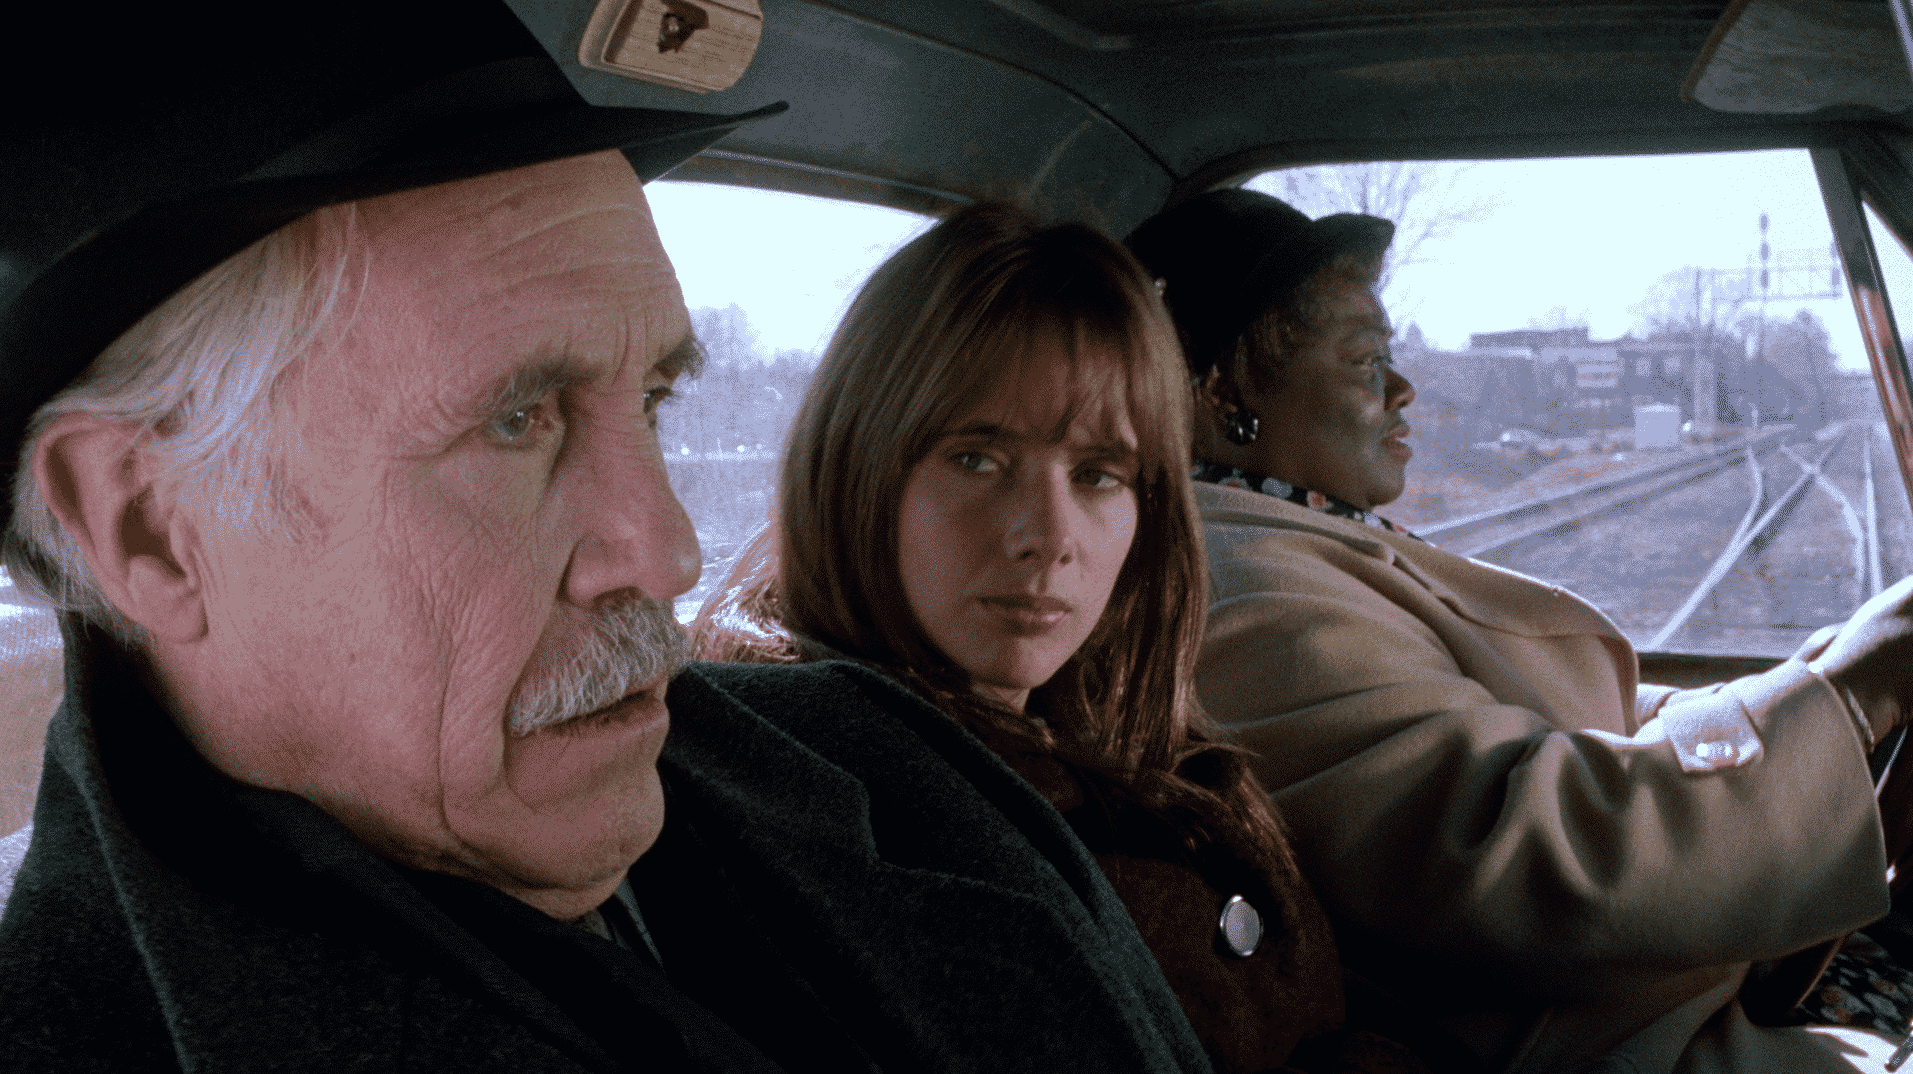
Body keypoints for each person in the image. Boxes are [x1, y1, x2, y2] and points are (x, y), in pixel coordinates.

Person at [0, 5, 1216, 1072]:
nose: (668, 553)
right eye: (516, 421)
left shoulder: (891, 758)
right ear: (147, 528)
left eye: (653, 400)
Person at [1126, 186, 1913, 1073]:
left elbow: (1571, 714)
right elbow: (1519, 859)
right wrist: (1852, 693)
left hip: (1663, 999)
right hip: (1616, 1041)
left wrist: (1816, 688)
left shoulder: (1304, 542)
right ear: (1221, 387)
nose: (1402, 388)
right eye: (1365, 360)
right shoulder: (1237, 590)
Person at [695, 203, 1455, 1074]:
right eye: (977, 460)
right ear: (857, 467)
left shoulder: (1118, 730)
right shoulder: (829, 800)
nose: (1050, 537)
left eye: (1098, 475)